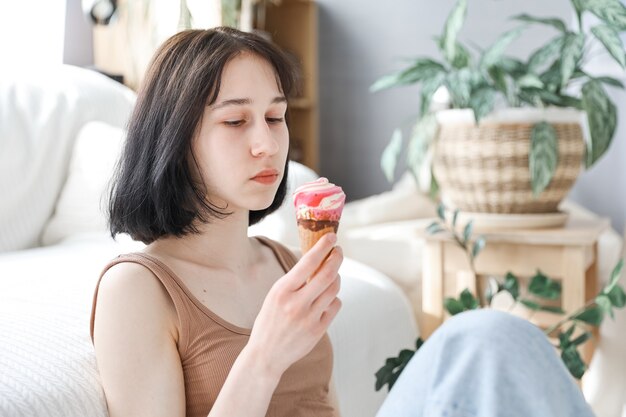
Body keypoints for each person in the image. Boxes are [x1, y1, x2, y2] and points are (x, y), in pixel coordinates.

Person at [90, 26, 595, 417]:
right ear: (174, 139)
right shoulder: (135, 290)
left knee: (489, 337)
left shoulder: (286, 263)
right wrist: (263, 355)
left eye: (275, 116)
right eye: (235, 121)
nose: (267, 143)